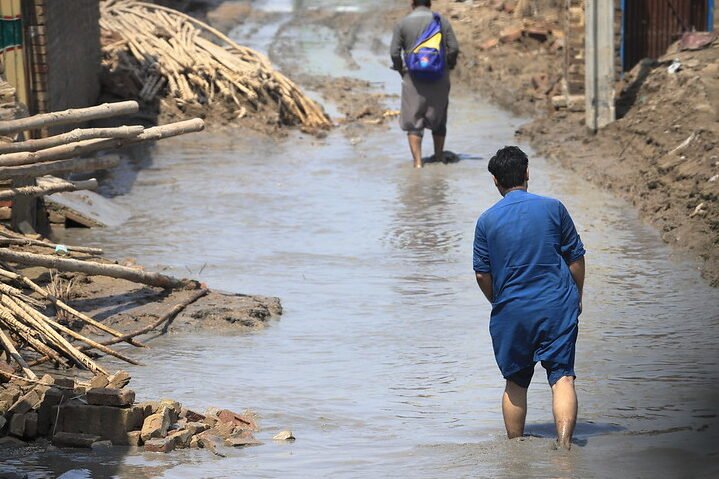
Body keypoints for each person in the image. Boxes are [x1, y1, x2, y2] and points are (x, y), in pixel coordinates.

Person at [472, 146, 586, 449]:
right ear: (526, 174)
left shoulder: (486, 221)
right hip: (556, 305)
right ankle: (564, 449)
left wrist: (500, 302)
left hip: (512, 309)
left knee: (516, 382)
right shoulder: (553, 208)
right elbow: (575, 258)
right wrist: (577, 295)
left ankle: (515, 452)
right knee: (562, 378)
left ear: (495, 181)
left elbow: (482, 274)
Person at [390, 0, 459, 168]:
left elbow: (394, 52)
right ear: (430, 4)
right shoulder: (441, 21)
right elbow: (454, 48)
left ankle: (418, 163)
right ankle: (438, 156)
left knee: (414, 121)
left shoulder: (402, 23)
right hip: (439, 76)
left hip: (413, 77)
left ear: (412, 4)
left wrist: (402, 71)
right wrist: (447, 66)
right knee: (440, 117)